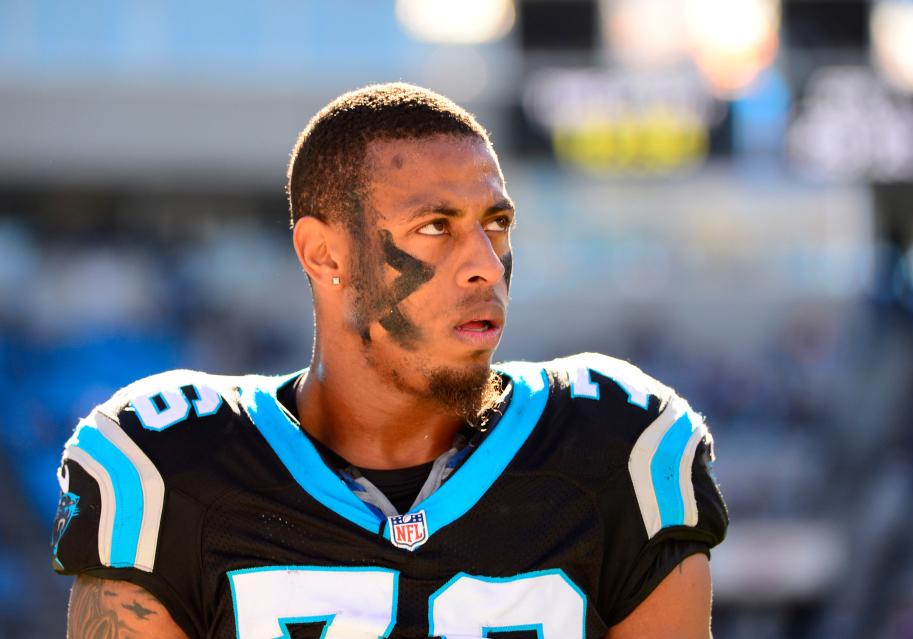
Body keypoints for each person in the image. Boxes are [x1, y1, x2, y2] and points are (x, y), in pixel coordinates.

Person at [51, 83, 728, 639]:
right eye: (436, 227)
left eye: (496, 224)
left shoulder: (617, 450)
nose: (486, 266)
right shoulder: (175, 465)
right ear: (324, 255)